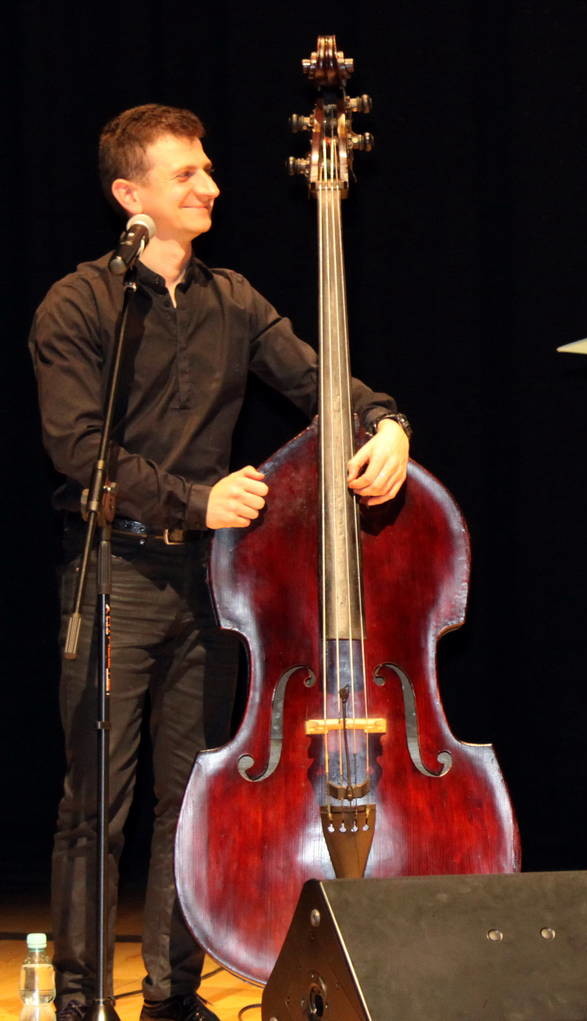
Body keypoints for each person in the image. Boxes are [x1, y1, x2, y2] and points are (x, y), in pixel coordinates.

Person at [28, 104, 411, 1021]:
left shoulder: (232, 299)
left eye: (206, 169)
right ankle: (81, 999)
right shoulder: (78, 304)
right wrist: (194, 499)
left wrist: (387, 422)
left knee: (191, 797)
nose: (210, 185)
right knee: (96, 804)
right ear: (131, 196)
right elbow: (79, 452)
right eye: (186, 174)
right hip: (114, 572)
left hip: (209, 584)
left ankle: (172, 995)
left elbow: (322, 382)